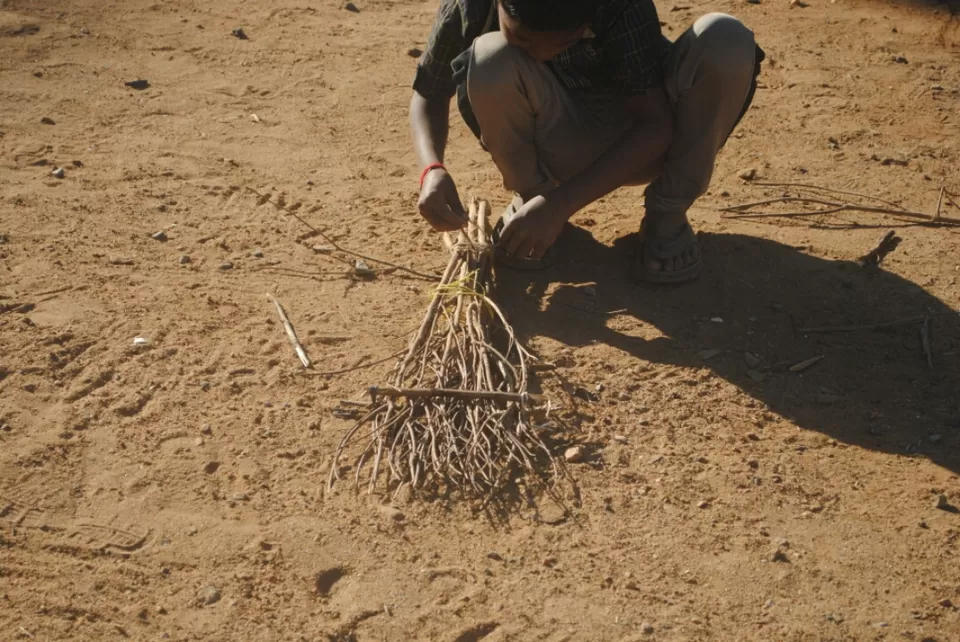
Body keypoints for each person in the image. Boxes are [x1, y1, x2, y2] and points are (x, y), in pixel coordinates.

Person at [410, 0, 763, 283]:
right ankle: (534, 198)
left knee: (725, 37)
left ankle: (666, 218)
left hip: (646, 145)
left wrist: (562, 204)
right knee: (488, 58)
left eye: (564, 41)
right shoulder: (471, 5)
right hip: (557, 135)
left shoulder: (620, 5)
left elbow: (655, 126)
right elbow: (428, 91)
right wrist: (432, 169)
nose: (541, 54)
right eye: (523, 41)